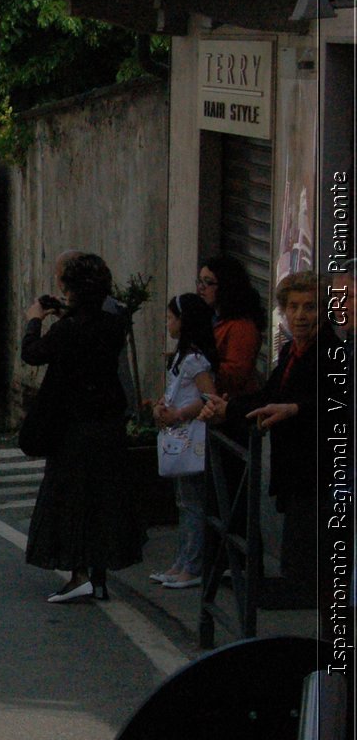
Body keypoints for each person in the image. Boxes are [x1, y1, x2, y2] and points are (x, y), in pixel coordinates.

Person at [22, 252, 145, 602]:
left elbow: (33, 353)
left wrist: (34, 320)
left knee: (72, 500)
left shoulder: (69, 330)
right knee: (102, 500)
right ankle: (99, 576)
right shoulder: (113, 322)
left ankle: (79, 576)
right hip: (108, 423)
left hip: (75, 426)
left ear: (70, 287)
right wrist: (67, 314)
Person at [199, 271, 327, 598]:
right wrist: (227, 408)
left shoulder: (329, 354)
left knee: (307, 570)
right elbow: (268, 395)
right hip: (293, 470)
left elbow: (328, 404)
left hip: (316, 472)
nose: (300, 316)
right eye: (294, 307)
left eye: (310, 307)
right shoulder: (289, 352)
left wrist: (294, 410)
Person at [149, 293, 218, 590]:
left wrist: (178, 413)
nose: (167, 323)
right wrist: (160, 407)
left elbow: (208, 395)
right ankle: (181, 562)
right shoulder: (182, 357)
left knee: (193, 504)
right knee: (185, 503)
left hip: (192, 434)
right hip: (179, 433)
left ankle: (193, 565)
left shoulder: (195, 359)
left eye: (170, 317)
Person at [196, 253, 266, 399]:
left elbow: (236, 375)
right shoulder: (212, 317)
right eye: (200, 281)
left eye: (208, 283)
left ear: (226, 285)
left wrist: (197, 365)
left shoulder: (242, 327)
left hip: (230, 406)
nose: (201, 288)